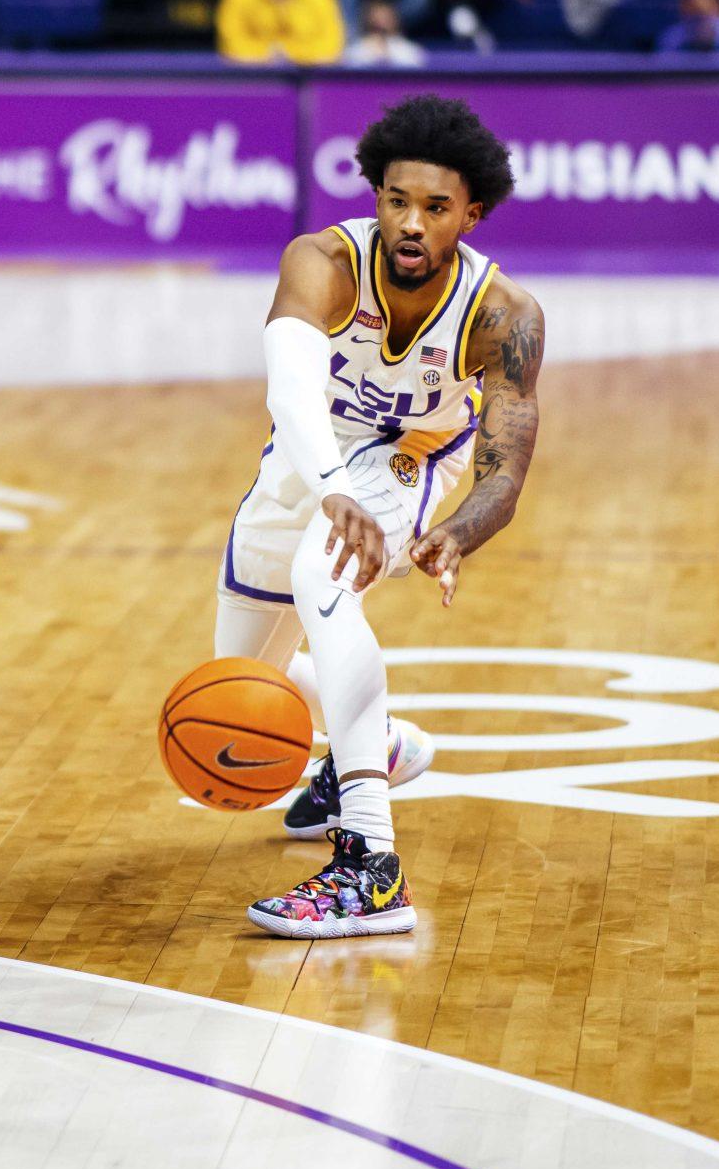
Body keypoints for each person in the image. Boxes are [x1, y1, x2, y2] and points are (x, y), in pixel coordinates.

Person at [224, 94, 544, 939]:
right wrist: (328, 481)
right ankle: (382, 743)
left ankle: (371, 864)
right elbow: (288, 387)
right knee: (233, 686)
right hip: (311, 448)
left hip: (408, 457)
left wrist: (454, 532)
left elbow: (505, 468)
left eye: (435, 208)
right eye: (396, 200)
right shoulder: (322, 260)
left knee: (320, 576)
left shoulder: (505, 314)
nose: (411, 222)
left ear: (469, 215)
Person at [344, 0, 425, 66]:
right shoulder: (354, 50)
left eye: (385, 18)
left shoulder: (410, 50)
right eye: (377, 19)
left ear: (394, 20)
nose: (381, 23)